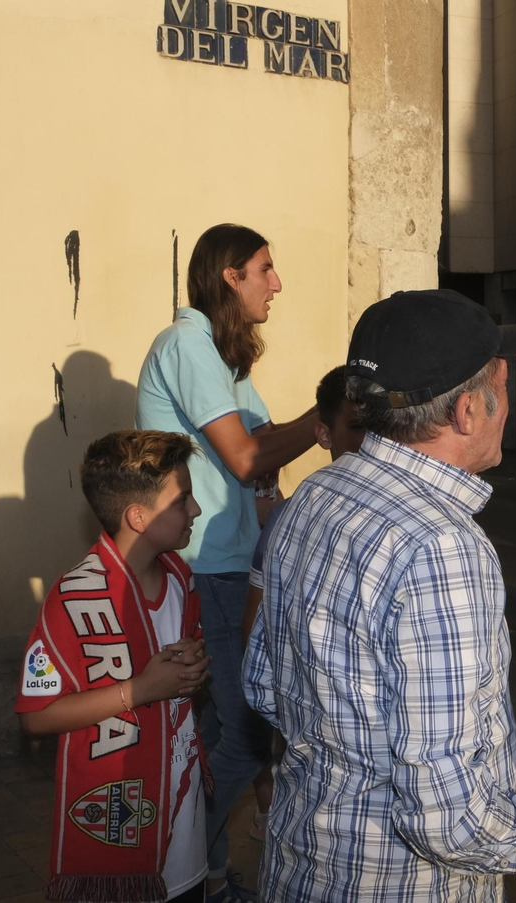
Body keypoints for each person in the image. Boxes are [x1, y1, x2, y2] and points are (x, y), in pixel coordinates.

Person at [244, 290, 516, 901]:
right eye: (502, 386)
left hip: (301, 867)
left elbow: (264, 684)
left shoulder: (314, 497)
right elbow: (449, 819)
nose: (508, 405)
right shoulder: (441, 547)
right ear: (468, 411)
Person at [136, 223, 319, 901]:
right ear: (229, 276)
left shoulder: (223, 359)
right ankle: (169, 870)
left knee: (214, 734)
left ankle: (207, 878)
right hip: (206, 564)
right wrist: (326, 417)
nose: (277, 283)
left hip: (230, 565)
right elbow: (246, 458)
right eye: (264, 269)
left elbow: (264, 452)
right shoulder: (186, 342)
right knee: (245, 737)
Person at [16, 430, 212, 901]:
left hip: (184, 825)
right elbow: (36, 717)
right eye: (182, 500)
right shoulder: (73, 598)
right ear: (137, 517)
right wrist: (139, 690)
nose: (196, 510)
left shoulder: (180, 578)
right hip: (117, 832)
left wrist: (192, 669)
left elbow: (182, 669)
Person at [240, 365, 364, 842]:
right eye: (357, 427)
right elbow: (255, 629)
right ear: (323, 435)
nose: (371, 441)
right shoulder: (291, 517)